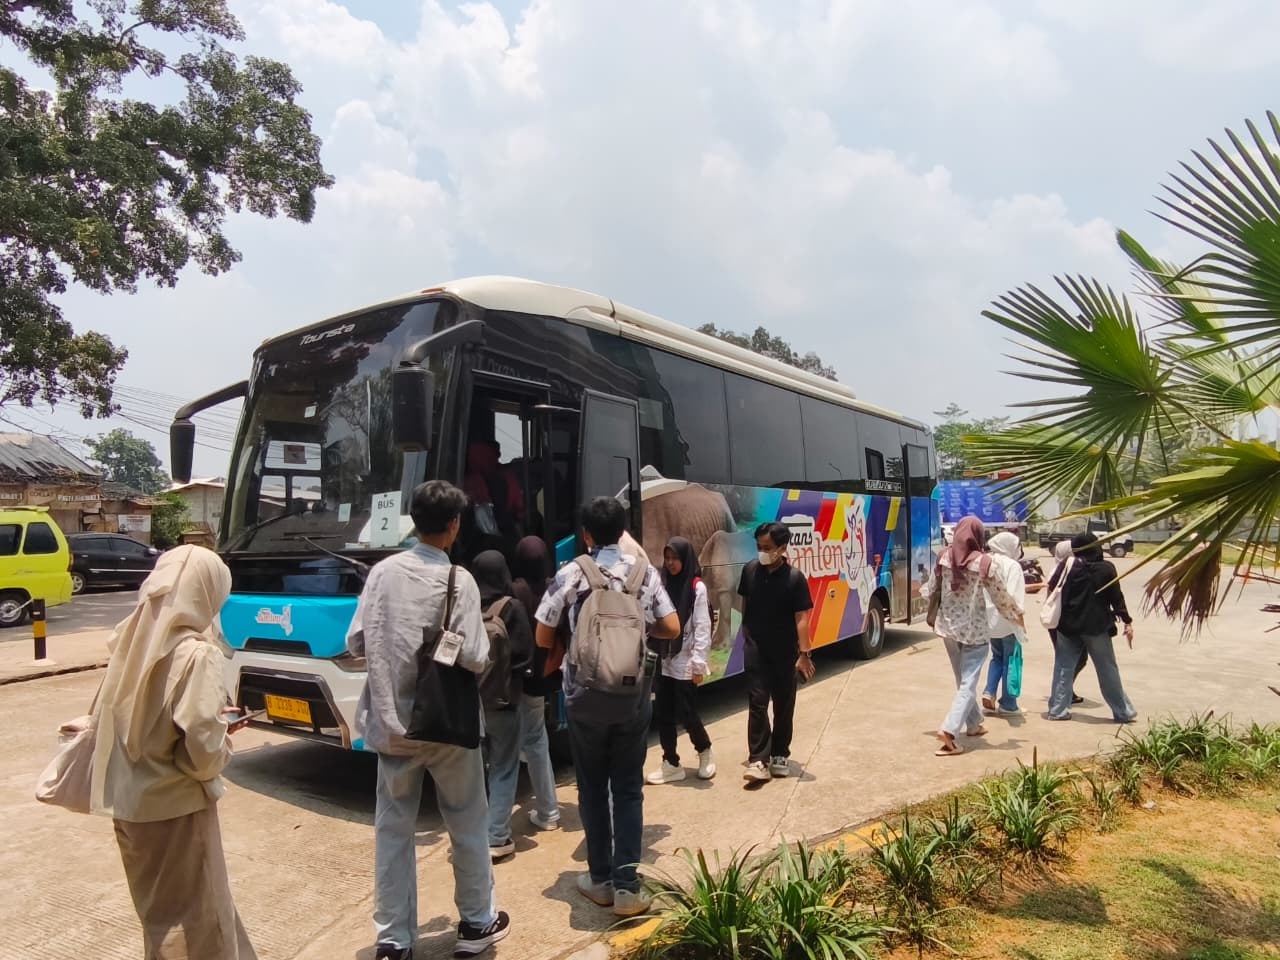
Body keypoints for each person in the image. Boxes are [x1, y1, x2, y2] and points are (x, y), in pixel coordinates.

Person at [347, 480, 510, 960]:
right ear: (455, 525)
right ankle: (476, 923)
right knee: (467, 822)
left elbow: (356, 642)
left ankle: (394, 939)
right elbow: (475, 655)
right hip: (448, 727)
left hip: (391, 726)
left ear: (413, 521)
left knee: (393, 832)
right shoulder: (460, 581)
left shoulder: (381, 575)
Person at [92, 545, 256, 960]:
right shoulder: (197, 654)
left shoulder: (131, 642)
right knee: (194, 928)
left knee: (160, 916)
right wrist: (222, 738)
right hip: (175, 810)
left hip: (128, 805)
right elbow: (200, 753)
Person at [534, 497, 680, 917]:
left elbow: (542, 634)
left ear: (586, 534)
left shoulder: (571, 573)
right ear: (622, 532)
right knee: (628, 790)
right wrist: (636, 631)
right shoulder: (644, 573)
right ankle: (627, 888)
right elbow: (672, 626)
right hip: (632, 697)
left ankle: (599, 880)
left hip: (584, 698)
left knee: (593, 788)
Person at [923, 516, 1023, 757]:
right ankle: (949, 730)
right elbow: (1000, 596)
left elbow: (932, 588)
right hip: (974, 631)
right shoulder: (984, 563)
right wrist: (1016, 616)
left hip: (947, 628)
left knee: (962, 680)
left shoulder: (943, 557)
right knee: (968, 682)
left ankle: (974, 723)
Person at [471, 550, 536, 861]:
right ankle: (496, 837)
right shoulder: (511, 607)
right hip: (503, 701)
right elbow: (525, 655)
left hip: (470, 703)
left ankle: (472, 835)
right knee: (504, 768)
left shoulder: (466, 604)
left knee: (474, 770)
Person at [738, 522, 815, 783]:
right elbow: (745, 603)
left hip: (785, 650)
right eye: (759, 546)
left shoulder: (795, 579)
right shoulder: (750, 571)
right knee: (757, 702)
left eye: (767, 547)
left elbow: (801, 618)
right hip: (755, 648)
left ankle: (780, 753)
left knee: (783, 704)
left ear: (782, 548)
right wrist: (746, 633)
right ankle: (758, 759)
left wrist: (804, 654)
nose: (762, 552)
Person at [1048, 533, 1137, 723]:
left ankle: (1057, 710)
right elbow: (1116, 597)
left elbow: (1053, 586)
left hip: (1068, 625)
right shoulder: (1106, 568)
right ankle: (1123, 712)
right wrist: (1127, 620)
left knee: (1063, 667)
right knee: (1107, 669)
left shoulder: (1067, 565)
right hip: (1097, 626)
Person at [647, 536, 716, 785]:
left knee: (687, 712)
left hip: (685, 659)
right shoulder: (662, 584)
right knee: (663, 712)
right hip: (664, 657)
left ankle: (704, 750)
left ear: (686, 559)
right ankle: (671, 763)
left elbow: (702, 627)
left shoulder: (697, 587)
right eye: (667, 558)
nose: (670, 563)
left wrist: (698, 664)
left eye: (675, 558)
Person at [509, 536, 561, 832]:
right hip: (547, 673)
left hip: (520, 676)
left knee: (532, 739)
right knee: (533, 735)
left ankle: (548, 811)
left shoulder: (515, 590)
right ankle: (547, 808)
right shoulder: (554, 587)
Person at [981, 531, 1027, 716]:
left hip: (988, 621)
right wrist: (1021, 622)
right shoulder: (1012, 566)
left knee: (997, 657)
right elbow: (1014, 596)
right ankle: (1008, 704)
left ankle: (989, 691)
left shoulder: (985, 561)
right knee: (1011, 661)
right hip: (1008, 621)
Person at [1046, 540, 1087, 704]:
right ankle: (1061, 694)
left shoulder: (1061, 568)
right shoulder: (1064, 570)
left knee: (1069, 659)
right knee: (1075, 659)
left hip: (1059, 622)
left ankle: (1064, 692)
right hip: (1062, 622)